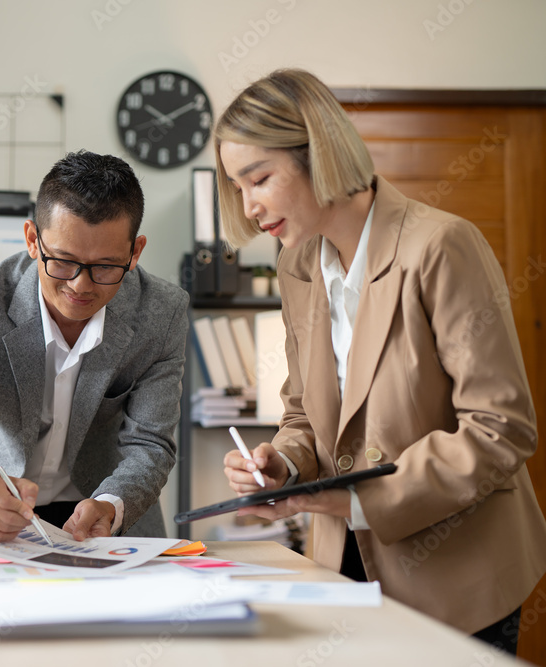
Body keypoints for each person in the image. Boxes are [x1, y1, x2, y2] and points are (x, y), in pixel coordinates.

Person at [215, 68, 546, 652]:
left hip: (457, 580)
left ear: (316, 153)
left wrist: (363, 500)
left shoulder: (440, 246)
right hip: (342, 571)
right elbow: (302, 417)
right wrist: (282, 466)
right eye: (237, 187)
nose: (250, 206)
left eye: (259, 178)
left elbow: (502, 429)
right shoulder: (296, 266)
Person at [0, 151, 188, 542]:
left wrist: (113, 503)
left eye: (105, 266)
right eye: (62, 261)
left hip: (103, 514)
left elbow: (150, 442)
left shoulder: (162, 312)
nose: (81, 285)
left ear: (135, 253)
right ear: (32, 240)